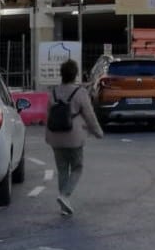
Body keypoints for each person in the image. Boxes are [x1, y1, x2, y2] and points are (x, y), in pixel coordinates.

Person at [44, 58, 103, 217]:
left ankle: (64, 206)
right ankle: (65, 195)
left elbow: (48, 116)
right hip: (74, 137)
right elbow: (89, 115)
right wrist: (98, 132)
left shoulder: (53, 92)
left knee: (62, 168)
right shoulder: (80, 93)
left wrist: (47, 136)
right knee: (77, 167)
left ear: (61, 75)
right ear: (75, 75)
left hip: (55, 137)